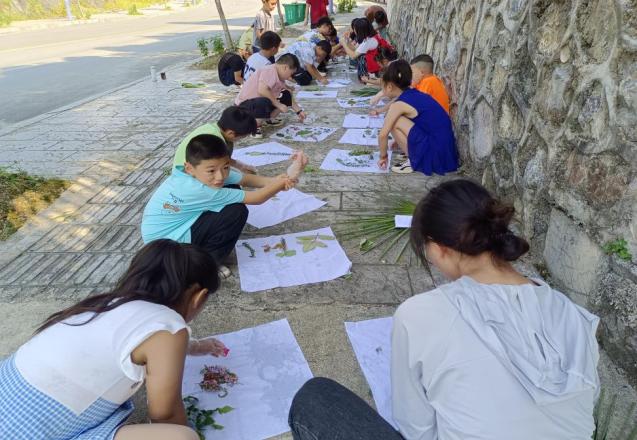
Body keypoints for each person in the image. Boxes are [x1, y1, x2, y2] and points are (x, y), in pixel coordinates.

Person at [289, 178, 601, 440]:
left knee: (315, 398)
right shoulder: (573, 314)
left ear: (439, 248)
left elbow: (417, 429)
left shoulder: (418, 314)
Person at [0, 239, 231, 440]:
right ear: (199, 297)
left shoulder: (109, 304)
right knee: (182, 437)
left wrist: (196, 347)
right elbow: (165, 413)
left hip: (9, 404)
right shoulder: (169, 328)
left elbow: (139, 340)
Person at [142, 134, 296, 277]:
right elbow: (257, 198)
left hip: (167, 237)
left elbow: (245, 179)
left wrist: (275, 181)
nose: (220, 176)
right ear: (189, 168)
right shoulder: (198, 189)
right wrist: (280, 184)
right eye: (211, 171)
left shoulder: (196, 172)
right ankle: (206, 265)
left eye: (226, 167)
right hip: (169, 251)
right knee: (236, 211)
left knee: (232, 188)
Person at [375, 60, 458, 175]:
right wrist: (399, 141)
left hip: (435, 154)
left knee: (394, 122)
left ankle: (414, 160)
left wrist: (383, 157)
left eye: (383, 87)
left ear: (389, 87)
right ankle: (415, 153)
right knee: (397, 119)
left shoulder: (398, 105)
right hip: (446, 152)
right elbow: (423, 123)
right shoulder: (415, 94)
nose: (383, 91)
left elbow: (383, 135)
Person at [236, 54, 307, 137]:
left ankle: (267, 119)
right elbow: (262, 90)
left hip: (254, 104)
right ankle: (254, 126)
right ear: (285, 67)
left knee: (286, 94)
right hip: (244, 107)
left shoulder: (279, 76)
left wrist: (299, 111)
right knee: (265, 101)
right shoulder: (269, 70)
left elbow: (288, 95)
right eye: (291, 74)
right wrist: (279, 105)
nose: (290, 77)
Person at [173, 106, 257, 174]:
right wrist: (242, 168)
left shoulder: (213, 127)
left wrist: (241, 166)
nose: (241, 140)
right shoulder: (214, 140)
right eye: (242, 137)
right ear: (230, 133)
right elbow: (221, 163)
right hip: (186, 175)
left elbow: (224, 160)